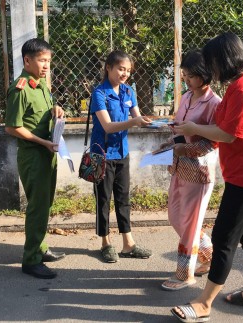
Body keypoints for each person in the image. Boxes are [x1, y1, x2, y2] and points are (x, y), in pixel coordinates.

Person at [170, 32, 243, 322]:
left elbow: (227, 133)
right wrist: (190, 130)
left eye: (212, 61)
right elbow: (224, 125)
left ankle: (205, 303)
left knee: (223, 237)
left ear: (223, 59)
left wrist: (194, 127)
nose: (210, 68)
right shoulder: (242, 84)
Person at [155, 50, 221, 291]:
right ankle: (208, 253)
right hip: (179, 166)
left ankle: (185, 274)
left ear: (204, 75)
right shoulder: (186, 96)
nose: (186, 80)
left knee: (191, 223)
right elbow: (181, 129)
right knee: (175, 216)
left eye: (190, 76)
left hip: (199, 172)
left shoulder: (215, 104)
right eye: (184, 75)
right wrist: (171, 143)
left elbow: (212, 142)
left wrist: (186, 149)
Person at [5, 38, 65, 279]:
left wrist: (56, 109)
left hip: (47, 153)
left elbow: (42, 113)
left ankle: (40, 248)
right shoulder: (20, 89)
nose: (46, 66)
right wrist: (42, 142)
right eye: (42, 60)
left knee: (45, 204)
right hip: (33, 156)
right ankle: (30, 260)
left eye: (48, 61)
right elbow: (12, 127)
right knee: (37, 207)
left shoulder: (40, 85)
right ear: (27, 60)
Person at [89, 50, 153, 263]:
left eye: (127, 70)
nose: (124, 73)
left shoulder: (128, 91)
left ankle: (128, 243)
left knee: (123, 199)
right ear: (109, 68)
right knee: (104, 199)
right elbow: (107, 126)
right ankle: (105, 243)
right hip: (102, 155)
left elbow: (137, 116)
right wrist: (134, 122)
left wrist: (149, 122)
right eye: (120, 69)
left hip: (122, 153)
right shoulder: (99, 93)